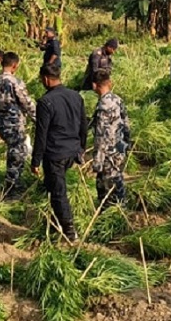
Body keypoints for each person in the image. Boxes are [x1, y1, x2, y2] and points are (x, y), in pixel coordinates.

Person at [31, 63, 88, 242]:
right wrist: (81, 148)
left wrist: (35, 161)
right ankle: (53, 223)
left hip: (55, 153)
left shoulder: (45, 102)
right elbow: (84, 126)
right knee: (52, 185)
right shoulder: (76, 96)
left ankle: (69, 231)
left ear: (46, 79)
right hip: (72, 151)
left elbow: (41, 134)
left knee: (58, 191)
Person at [0, 52, 38, 199]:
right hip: (14, 124)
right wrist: (39, 120)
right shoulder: (16, 82)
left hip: (1, 123)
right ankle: (12, 188)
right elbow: (26, 103)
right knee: (17, 154)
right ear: (15, 66)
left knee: (14, 152)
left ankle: (13, 184)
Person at [90, 70, 131, 208]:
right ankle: (121, 206)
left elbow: (101, 136)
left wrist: (97, 161)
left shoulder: (103, 106)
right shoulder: (117, 99)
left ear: (94, 85)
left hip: (108, 153)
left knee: (106, 185)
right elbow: (126, 125)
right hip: (119, 149)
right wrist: (126, 145)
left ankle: (112, 213)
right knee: (117, 178)